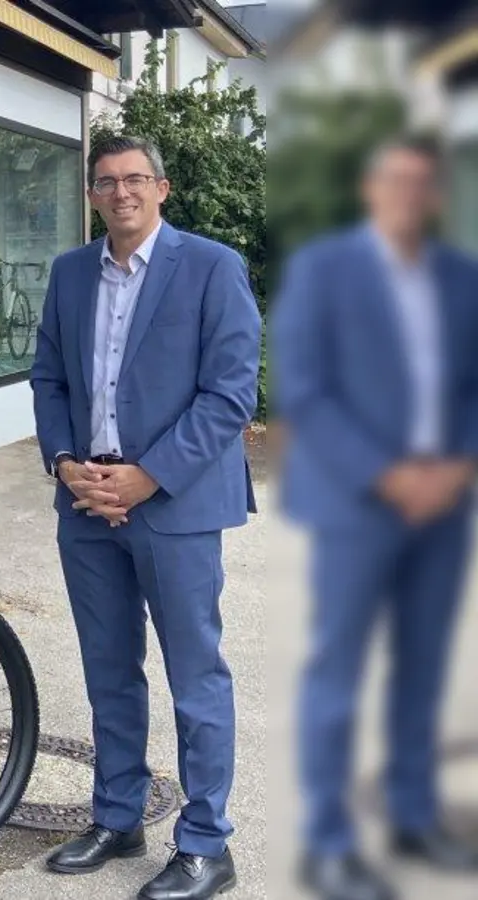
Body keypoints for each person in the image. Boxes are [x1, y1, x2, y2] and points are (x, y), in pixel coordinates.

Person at [30, 135, 261, 900]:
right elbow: (50, 377)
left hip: (177, 506)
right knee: (108, 671)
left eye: (135, 179)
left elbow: (230, 394)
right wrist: (66, 463)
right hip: (86, 501)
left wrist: (146, 477)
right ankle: (118, 815)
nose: (121, 192)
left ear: (162, 190)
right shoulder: (69, 273)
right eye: (107, 182)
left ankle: (205, 844)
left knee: (196, 677)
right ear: (92, 195)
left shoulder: (211, 267)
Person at [272, 136, 478, 900]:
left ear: (435, 197)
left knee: (423, 669)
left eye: (421, 184)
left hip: (447, 507)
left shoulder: (463, 277)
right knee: (339, 672)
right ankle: (328, 842)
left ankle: (414, 816)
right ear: (371, 190)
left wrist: (455, 467)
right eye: (393, 181)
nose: (407, 196)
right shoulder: (324, 272)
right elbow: (307, 391)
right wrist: (389, 475)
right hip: (358, 505)